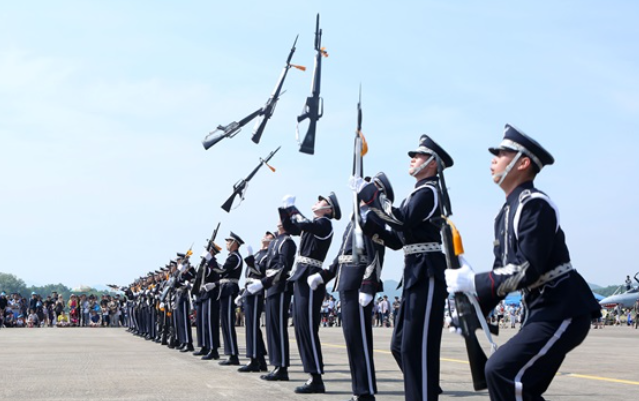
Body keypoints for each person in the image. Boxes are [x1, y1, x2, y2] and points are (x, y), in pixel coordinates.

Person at [445, 124, 601, 401]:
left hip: (562, 308)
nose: (494, 159)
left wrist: (473, 281)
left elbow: (527, 269)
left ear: (523, 162)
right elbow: (500, 277)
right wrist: (471, 310)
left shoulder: (535, 205)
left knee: (502, 372)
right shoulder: (505, 213)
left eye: (502, 153)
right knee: (517, 384)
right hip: (541, 310)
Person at [357, 135, 454, 401]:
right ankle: (426, 389)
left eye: (419, 156)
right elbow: (397, 241)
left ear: (433, 164)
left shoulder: (428, 192)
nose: (413, 158)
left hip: (428, 272)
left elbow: (400, 220)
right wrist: (369, 224)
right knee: (401, 346)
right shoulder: (418, 193)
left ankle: (424, 393)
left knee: (415, 348)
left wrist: (372, 196)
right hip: (415, 272)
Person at [308, 172, 401, 401]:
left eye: (370, 184)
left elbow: (376, 253)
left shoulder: (372, 215)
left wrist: (369, 286)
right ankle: (360, 390)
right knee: (352, 340)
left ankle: (365, 393)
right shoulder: (356, 218)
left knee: (359, 341)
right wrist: (325, 275)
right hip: (347, 281)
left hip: (359, 282)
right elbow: (342, 255)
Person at [278, 192, 340, 394]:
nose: (316, 201)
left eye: (322, 201)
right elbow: (291, 227)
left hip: (311, 276)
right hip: (301, 275)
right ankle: (312, 374)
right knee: (301, 328)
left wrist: (292, 209)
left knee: (308, 328)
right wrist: (285, 211)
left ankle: (316, 377)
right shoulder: (313, 224)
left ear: (329, 209)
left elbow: (302, 223)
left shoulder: (324, 224)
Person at [247, 221, 297, 382]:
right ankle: (276, 364)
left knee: (278, 328)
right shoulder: (277, 242)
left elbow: (282, 266)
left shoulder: (287, 242)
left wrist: (265, 282)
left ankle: (282, 367)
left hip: (280, 285)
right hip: (271, 287)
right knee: (271, 328)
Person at [237, 231, 273, 372]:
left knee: (252, 326)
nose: (265, 235)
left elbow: (261, 272)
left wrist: (251, 260)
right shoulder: (259, 253)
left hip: (257, 291)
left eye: (269, 236)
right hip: (249, 290)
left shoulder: (267, 255)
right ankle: (260, 360)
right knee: (251, 326)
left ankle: (253, 359)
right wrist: (242, 293)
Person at [217, 232, 244, 366]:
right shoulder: (231, 257)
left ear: (235, 243)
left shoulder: (234, 257)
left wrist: (211, 260)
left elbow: (222, 270)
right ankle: (230, 353)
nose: (227, 243)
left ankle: (233, 355)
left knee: (228, 322)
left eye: (229, 241)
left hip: (229, 289)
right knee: (225, 323)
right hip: (225, 289)